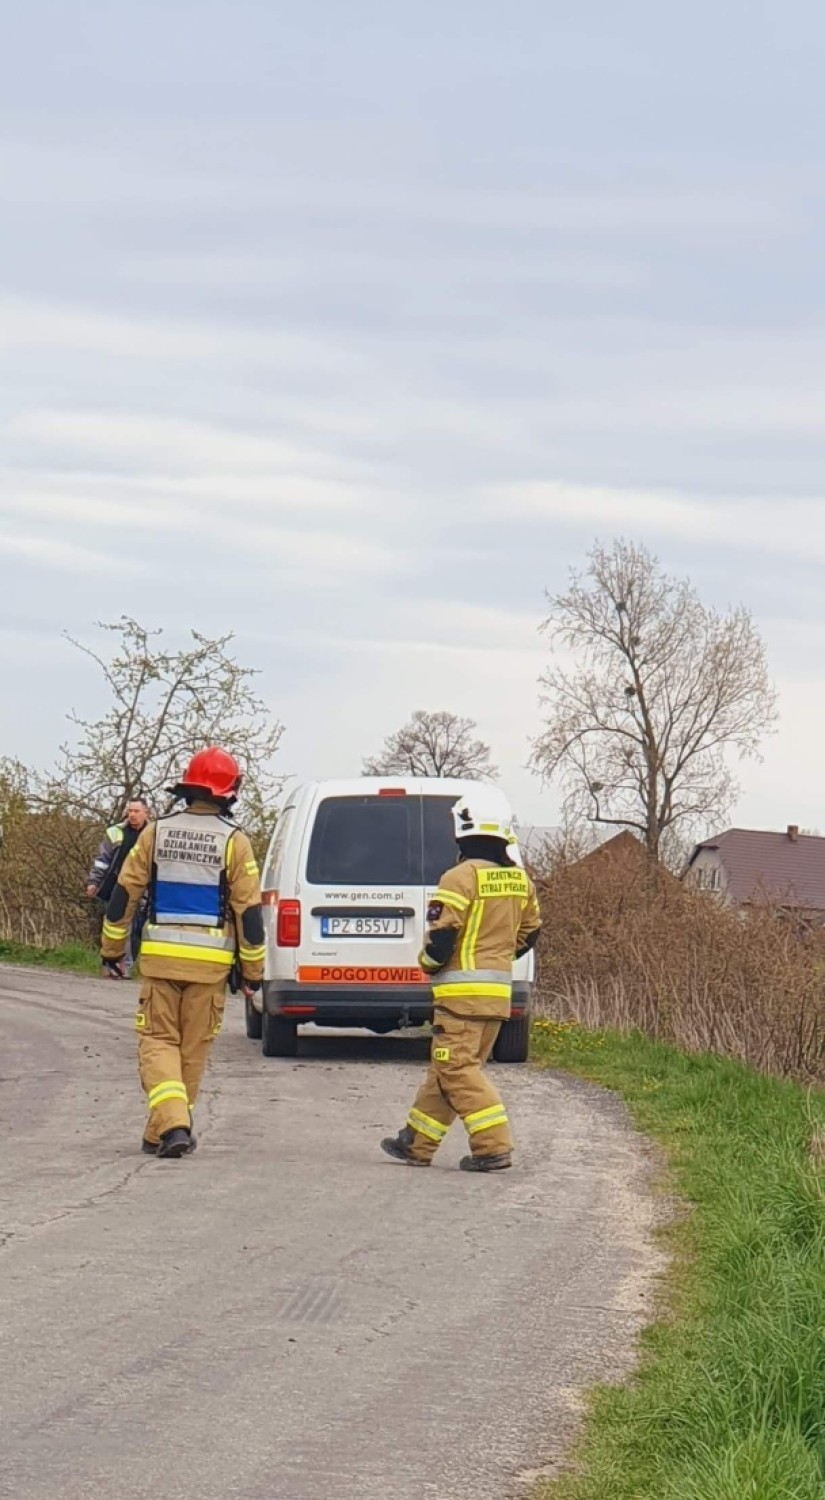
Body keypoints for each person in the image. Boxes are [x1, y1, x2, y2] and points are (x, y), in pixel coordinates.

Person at [100, 748, 265, 1159]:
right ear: (228, 792)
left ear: (187, 787)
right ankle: (169, 1130)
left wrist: (112, 950)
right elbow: (249, 912)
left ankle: (170, 1125)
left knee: (157, 1043)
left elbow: (124, 893)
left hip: (160, 961)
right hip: (210, 969)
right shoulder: (235, 841)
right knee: (191, 1053)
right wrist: (253, 972)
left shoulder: (156, 831)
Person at [381, 789, 541, 1172]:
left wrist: (428, 963)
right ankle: (416, 1143)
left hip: (460, 998)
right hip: (496, 995)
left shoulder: (458, 878)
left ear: (462, 830)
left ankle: (493, 1146)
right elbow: (531, 932)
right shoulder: (520, 881)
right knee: (447, 1068)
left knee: (457, 1070)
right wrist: (499, 958)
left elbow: (442, 939)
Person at [86, 798, 151, 976]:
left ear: (146, 812)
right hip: (118, 888)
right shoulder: (115, 832)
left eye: (136, 811)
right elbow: (102, 861)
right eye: (130, 811)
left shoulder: (154, 834)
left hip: (145, 890)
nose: (132, 815)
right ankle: (121, 966)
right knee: (118, 927)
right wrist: (94, 882)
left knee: (140, 929)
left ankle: (140, 967)